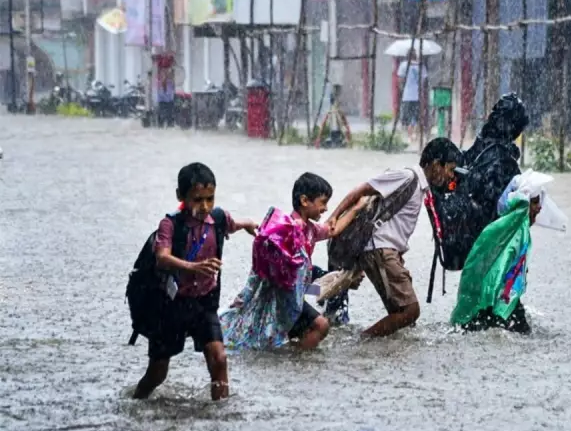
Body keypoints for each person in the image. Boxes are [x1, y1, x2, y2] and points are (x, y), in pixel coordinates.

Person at [133, 162, 258, 401]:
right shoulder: (170, 224)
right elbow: (162, 257)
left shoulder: (218, 219)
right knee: (158, 373)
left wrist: (249, 224)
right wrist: (194, 267)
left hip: (204, 304)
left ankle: (221, 415)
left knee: (219, 359)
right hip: (171, 306)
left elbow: (232, 224)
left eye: (210, 199)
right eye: (197, 199)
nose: (205, 206)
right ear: (181, 196)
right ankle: (136, 400)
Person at [327, 137, 461, 337]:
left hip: (388, 251)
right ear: (435, 165)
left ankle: (375, 349)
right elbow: (362, 189)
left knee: (402, 320)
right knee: (410, 311)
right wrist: (333, 216)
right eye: (449, 169)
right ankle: (361, 341)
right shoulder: (406, 177)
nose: (450, 176)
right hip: (380, 249)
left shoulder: (421, 187)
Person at [220, 173, 368, 350]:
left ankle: (291, 354)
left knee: (330, 283)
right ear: (305, 201)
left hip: (299, 288)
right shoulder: (287, 228)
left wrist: (356, 209)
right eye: (323, 202)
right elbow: (266, 239)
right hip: (283, 295)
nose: (326, 208)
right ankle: (295, 360)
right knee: (321, 325)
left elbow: (331, 230)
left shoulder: (310, 229)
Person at [451, 170, 566, 334]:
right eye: (534, 202)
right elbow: (500, 273)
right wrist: (498, 309)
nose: (539, 208)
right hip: (494, 305)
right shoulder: (515, 234)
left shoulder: (502, 229)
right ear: (522, 205)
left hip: (487, 303)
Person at [397, 50, 428, 143]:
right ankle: (415, 134)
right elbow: (423, 80)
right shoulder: (421, 66)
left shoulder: (403, 65)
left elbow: (400, 79)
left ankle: (410, 136)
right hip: (417, 95)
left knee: (408, 117)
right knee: (416, 117)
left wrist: (402, 87)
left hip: (407, 95)